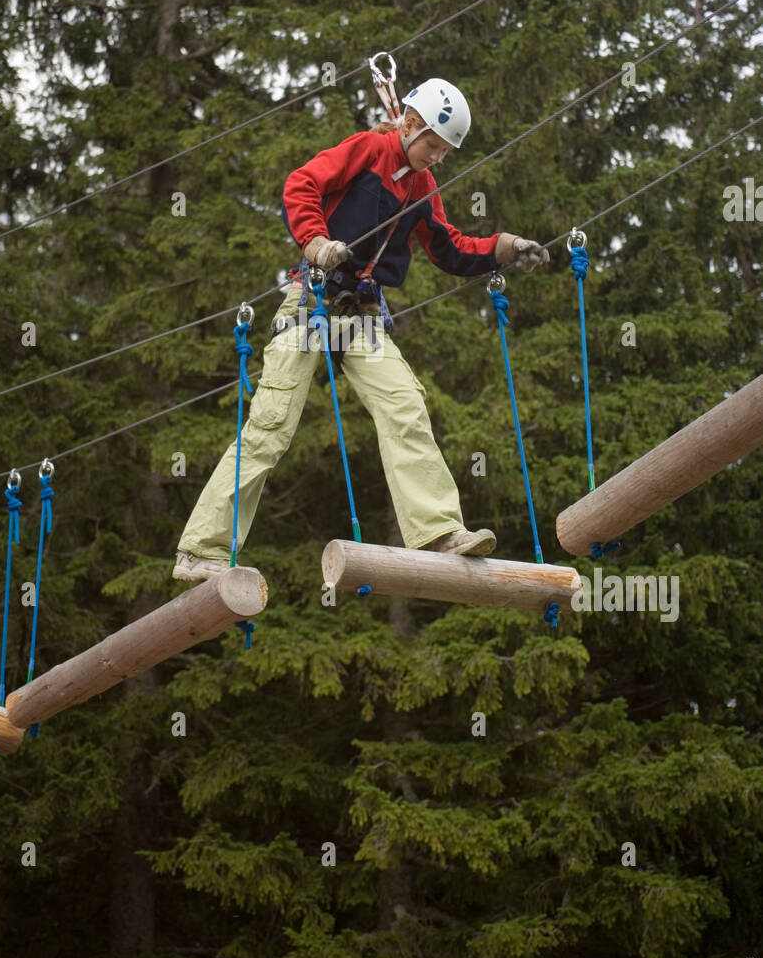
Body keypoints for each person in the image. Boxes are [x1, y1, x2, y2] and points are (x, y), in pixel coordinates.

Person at [173, 78, 549, 582]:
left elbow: (448, 247)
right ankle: (201, 551)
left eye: (444, 151)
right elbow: (301, 184)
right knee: (271, 423)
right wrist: (315, 242)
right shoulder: (369, 149)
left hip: (361, 314)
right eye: (433, 145)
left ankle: (439, 531)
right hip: (313, 301)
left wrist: (504, 246)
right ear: (410, 125)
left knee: (405, 405)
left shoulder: (422, 187)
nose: (437, 157)